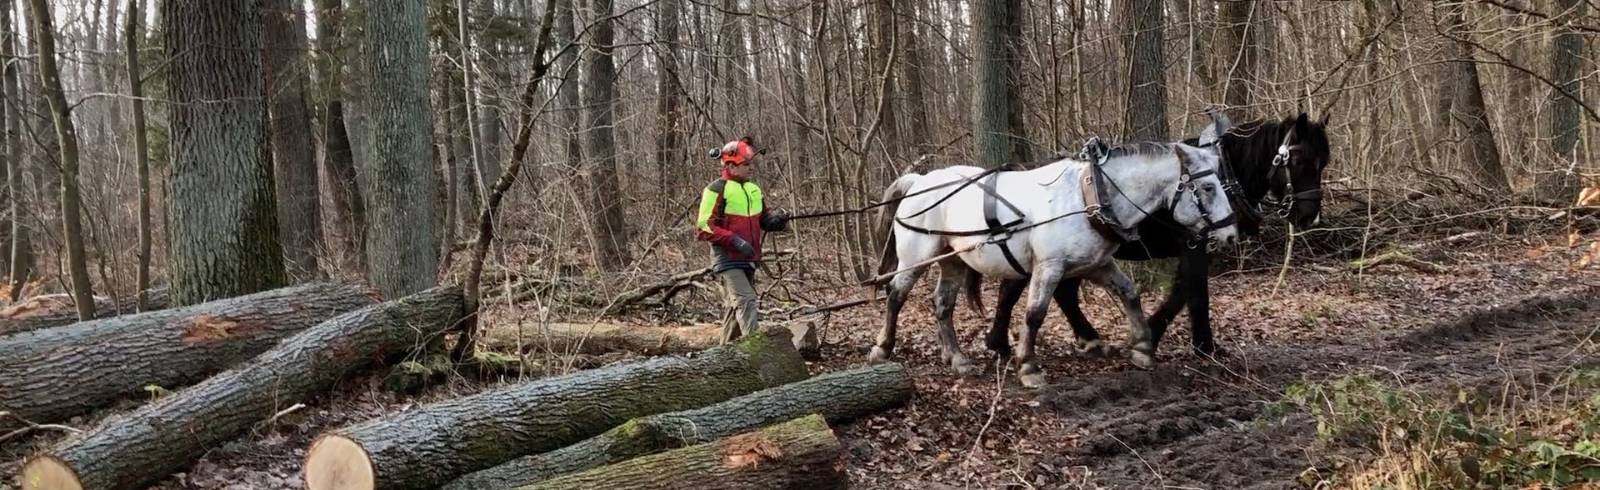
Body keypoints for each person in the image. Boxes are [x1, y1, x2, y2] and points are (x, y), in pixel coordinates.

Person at [695, 137, 788, 343]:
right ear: (730, 165)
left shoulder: (753, 189)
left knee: (735, 308)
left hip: (749, 257)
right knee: (746, 301)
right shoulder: (716, 189)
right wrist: (735, 240)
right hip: (728, 258)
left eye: (750, 164)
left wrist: (777, 221)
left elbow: (763, 220)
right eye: (746, 164)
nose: (750, 168)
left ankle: (723, 355)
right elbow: (703, 226)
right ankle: (756, 352)